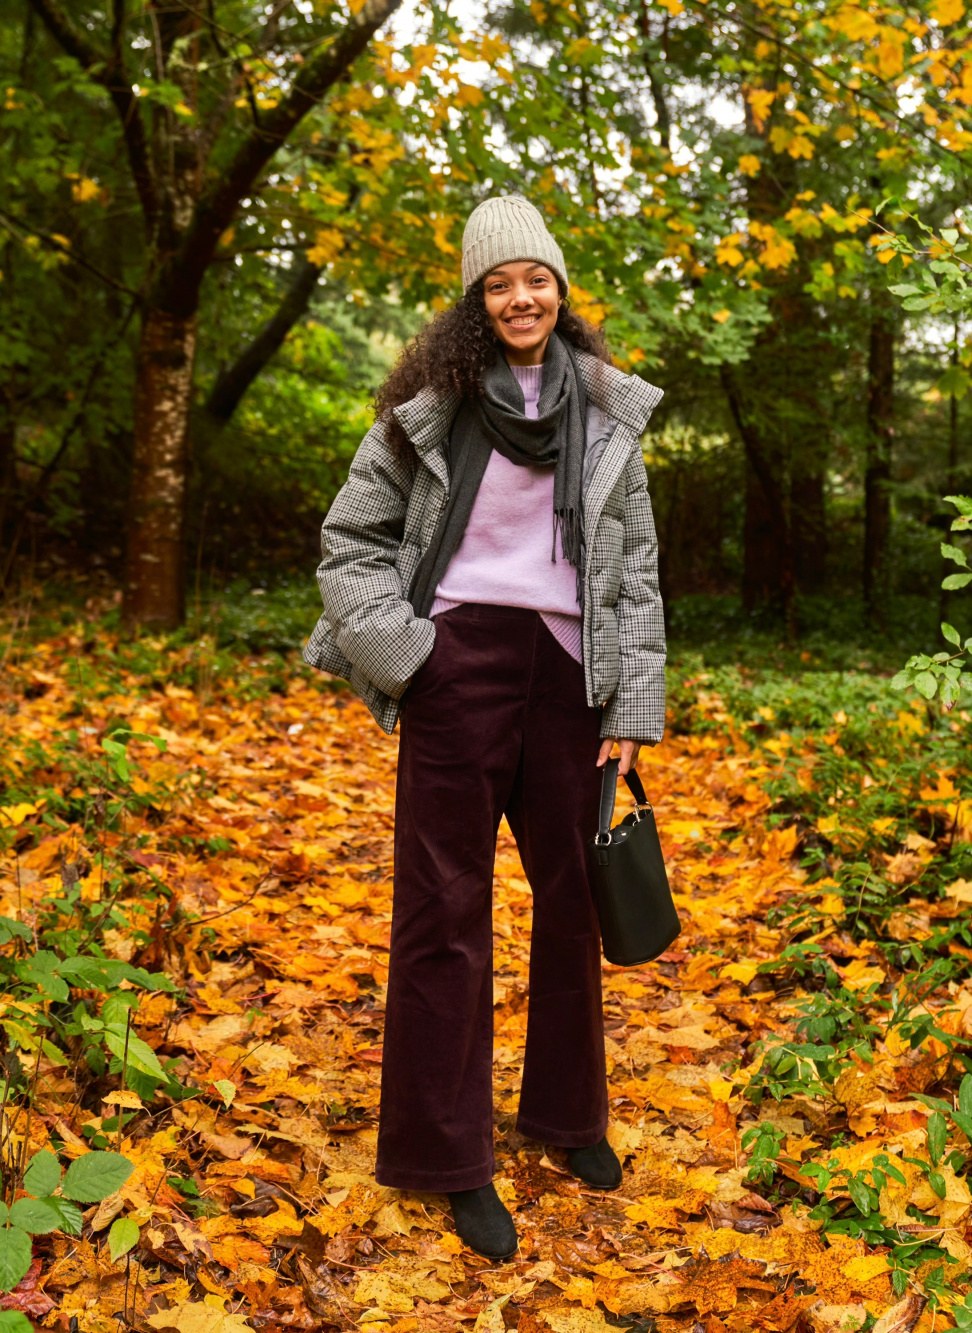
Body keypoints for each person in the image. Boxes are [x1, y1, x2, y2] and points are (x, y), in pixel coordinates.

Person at [304, 195, 666, 1261]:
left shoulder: (606, 411)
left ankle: (565, 1120)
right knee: (442, 912)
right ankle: (446, 1156)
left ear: (560, 291)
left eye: (537, 279)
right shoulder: (429, 408)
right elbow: (347, 545)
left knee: (571, 904)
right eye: (499, 283)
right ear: (476, 300)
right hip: (454, 671)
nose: (521, 297)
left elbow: (634, 570)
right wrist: (409, 656)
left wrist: (632, 706)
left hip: (569, 679)